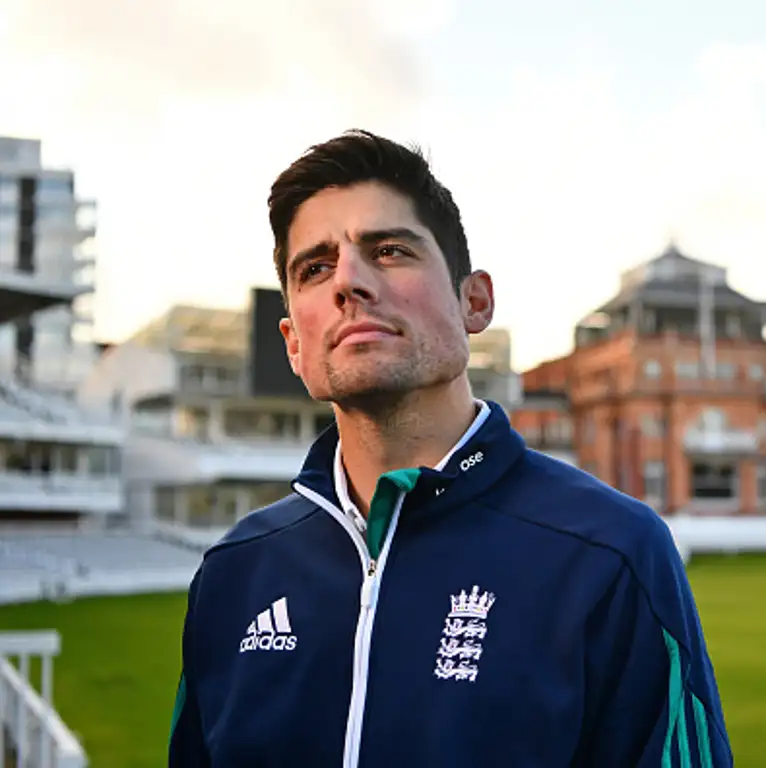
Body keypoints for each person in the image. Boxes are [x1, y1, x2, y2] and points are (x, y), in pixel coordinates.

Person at [167, 129, 732, 767]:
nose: (348, 281)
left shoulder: (612, 552)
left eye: (388, 251)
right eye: (315, 268)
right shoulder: (234, 573)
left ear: (475, 301)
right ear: (294, 343)